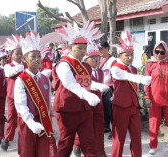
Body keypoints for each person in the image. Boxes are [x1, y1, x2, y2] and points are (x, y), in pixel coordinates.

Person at [52, 21, 107, 157]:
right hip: (67, 109)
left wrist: (98, 86)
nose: (83, 51)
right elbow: (70, 84)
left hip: (84, 110)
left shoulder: (84, 65)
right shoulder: (63, 64)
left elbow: (85, 83)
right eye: (80, 48)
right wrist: (87, 95)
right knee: (66, 144)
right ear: (71, 46)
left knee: (89, 144)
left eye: (84, 48)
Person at [111, 31, 152, 157]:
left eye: (132, 54)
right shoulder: (116, 68)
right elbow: (125, 76)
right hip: (121, 106)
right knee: (119, 138)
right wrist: (140, 79)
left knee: (136, 137)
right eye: (127, 55)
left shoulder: (134, 69)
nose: (130, 57)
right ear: (120, 55)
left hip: (134, 107)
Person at [14, 31, 55, 157]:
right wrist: (30, 122)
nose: (37, 60)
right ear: (24, 59)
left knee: (45, 152)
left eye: (39, 56)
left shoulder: (45, 78)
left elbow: (48, 100)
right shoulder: (21, 79)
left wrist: (49, 114)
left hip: (43, 120)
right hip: (27, 122)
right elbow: (20, 104)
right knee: (27, 152)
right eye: (33, 56)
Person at [144, 41, 168, 156]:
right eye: (157, 52)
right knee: (153, 124)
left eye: (162, 52)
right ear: (154, 51)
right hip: (154, 101)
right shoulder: (150, 64)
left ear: (166, 52)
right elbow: (146, 83)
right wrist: (147, 97)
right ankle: (153, 146)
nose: (159, 54)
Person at [73, 42, 108, 157]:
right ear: (86, 59)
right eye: (93, 58)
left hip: (99, 103)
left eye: (98, 58)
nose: (96, 60)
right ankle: (77, 145)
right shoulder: (82, 70)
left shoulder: (101, 72)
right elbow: (86, 86)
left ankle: (100, 152)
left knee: (99, 127)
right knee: (85, 128)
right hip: (86, 102)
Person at [1, 34, 26, 151]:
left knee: (24, 117)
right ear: (11, 55)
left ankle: (25, 140)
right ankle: (7, 138)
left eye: (21, 53)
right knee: (12, 118)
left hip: (25, 96)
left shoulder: (26, 65)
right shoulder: (7, 66)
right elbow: (9, 74)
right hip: (12, 97)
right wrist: (21, 68)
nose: (19, 56)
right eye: (17, 54)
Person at [99, 41, 116, 139]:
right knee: (104, 109)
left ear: (107, 48)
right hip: (101, 87)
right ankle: (106, 127)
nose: (99, 51)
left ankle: (115, 130)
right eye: (98, 49)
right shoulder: (99, 59)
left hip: (110, 87)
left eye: (101, 49)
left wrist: (115, 91)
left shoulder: (112, 60)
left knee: (111, 110)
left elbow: (114, 76)